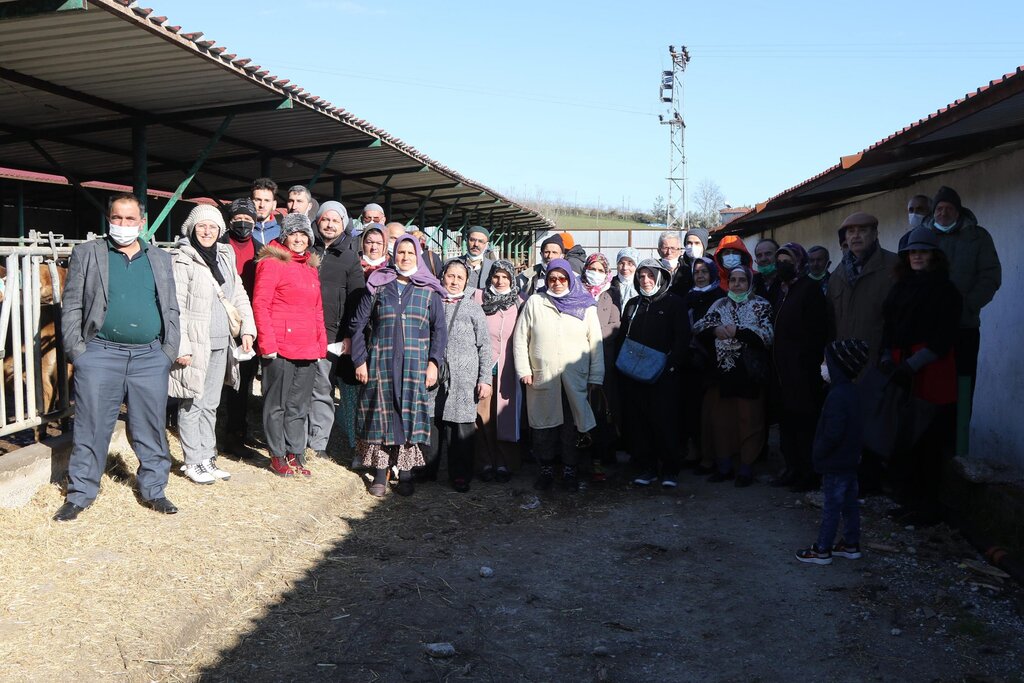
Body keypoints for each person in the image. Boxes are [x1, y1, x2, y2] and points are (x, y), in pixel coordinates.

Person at [54, 193, 181, 521]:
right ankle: (80, 493)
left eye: (130, 219)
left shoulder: (160, 259)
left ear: (142, 222)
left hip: (150, 357)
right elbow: (72, 306)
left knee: (150, 425)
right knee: (91, 424)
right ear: (109, 220)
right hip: (100, 354)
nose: (123, 225)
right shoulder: (88, 254)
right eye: (117, 218)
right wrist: (78, 353)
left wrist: (168, 351)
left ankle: (154, 489)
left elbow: (170, 307)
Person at [349, 234, 448, 497]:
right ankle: (380, 475)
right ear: (394, 255)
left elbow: (439, 331)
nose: (405, 258)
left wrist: (433, 363)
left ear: (418, 256)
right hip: (380, 363)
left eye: (410, 253)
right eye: (400, 253)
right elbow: (358, 325)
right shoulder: (379, 285)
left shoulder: (429, 291)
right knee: (381, 417)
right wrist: (360, 360)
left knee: (408, 416)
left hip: (415, 366)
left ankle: (405, 475)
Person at [881, 226, 963, 526]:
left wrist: (912, 365)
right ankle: (908, 500)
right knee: (904, 438)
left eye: (923, 251)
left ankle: (927, 507)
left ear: (934, 256)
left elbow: (944, 338)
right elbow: (889, 326)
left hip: (931, 372)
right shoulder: (901, 286)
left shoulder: (946, 290)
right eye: (912, 252)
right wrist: (887, 356)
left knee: (928, 441)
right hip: (903, 367)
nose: (916, 256)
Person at [169, 205, 256, 484]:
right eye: (201, 226)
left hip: (222, 342)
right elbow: (177, 306)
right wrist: (182, 345)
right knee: (191, 402)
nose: (207, 231)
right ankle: (192, 460)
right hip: (197, 343)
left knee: (211, 403)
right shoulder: (182, 260)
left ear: (220, 230)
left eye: (213, 227)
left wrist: (247, 329)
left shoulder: (224, 256)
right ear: (192, 229)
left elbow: (238, 293)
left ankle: (208, 456)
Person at [513, 259, 603, 492]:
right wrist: (524, 370)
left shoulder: (586, 306)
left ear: (570, 280)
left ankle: (570, 470)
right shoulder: (535, 302)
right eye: (552, 278)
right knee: (544, 427)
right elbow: (521, 339)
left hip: (575, 379)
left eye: (562, 278)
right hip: (542, 377)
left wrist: (596, 376)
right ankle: (546, 470)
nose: (557, 283)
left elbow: (596, 344)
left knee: (572, 427)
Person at [253, 213, 327, 477]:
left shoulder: (309, 266)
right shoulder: (272, 263)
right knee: (277, 403)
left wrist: (321, 346)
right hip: (281, 346)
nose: (299, 238)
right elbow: (261, 304)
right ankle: (277, 454)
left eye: (303, 234)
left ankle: (296, 452)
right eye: (293, 233)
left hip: (307, 346)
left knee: (298, 404)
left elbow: (317, 309)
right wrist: (267, 343)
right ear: (284, 236)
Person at [692, 265, 774, 487]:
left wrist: (739, 332)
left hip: (749, 373)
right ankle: (725, 466)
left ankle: (746, 467)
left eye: (742, 280)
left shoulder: (761, 305)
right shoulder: (720, 304)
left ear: (750, 283)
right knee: (722, 421)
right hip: (722, 372)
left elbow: (767, 335)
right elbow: (700, 325)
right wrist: (716, 330)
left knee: (750, 420)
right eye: (733, 280)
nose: (737, 284)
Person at [924, 186, 1001, 422]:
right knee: (928, 390)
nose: (943, 213)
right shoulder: (922, 238)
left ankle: (958, 448)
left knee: (961, 389)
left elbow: (990, 276)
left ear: (958, 211)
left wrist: (968, 305)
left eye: (948, 208)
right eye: (939, 208)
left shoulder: (978, 237)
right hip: (928, 328)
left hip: (963, 327)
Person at [796, 339, 869, 565]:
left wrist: (819, 452)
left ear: (838, 366)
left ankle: (823, 548)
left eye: (826, 362)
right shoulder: (853, 392)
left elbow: (833, 432)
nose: (822, 366)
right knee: (849, 504)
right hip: (849, 460)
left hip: (835, 462)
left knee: (831, 506)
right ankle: (850, 543)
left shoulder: (837, 396)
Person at [618, 259, 690, 488]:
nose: (646, 280)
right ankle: (646, 467)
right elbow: (622, 337)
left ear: (660, 277)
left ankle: (670, 468)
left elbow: (682, 338)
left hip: (663, 376)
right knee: (639, 422)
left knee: (665, 421)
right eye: (641, 276)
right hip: (634, 375)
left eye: (650, 276)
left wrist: (671, 366)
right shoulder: (632, 304)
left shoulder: (674, 304)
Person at [769, 243, 828, 492]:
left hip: (802, 369)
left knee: (805, 423)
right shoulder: (778, 290)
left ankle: (809, 472)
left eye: (788, 261)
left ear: (799, 263)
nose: (783, 265)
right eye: (779, 260)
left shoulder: (809, 289)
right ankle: (791, 468)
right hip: (780, 369)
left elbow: (818, 331)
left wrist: (808, 362)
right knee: (787, 422)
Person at [308, 201, 365, 459]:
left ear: (344, 225)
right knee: (298, 389)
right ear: (318, 221)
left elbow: (355, 301)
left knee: (322, 389)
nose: (330, 225)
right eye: (325, 220)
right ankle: (297, 438)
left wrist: (349, 336)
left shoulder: (350, 257)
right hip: (301, 331)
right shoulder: (306, 249)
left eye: (335, 221)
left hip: (331, 334)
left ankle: (318, 443)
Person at [430, 259, 492, 492]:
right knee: (432, 424)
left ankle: (460, 475)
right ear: (443, 275)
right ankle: (428, 469)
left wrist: (484, 378)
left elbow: (484, 346)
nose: (454, 281)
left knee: (461, 428)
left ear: (467, 282)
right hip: (435, 375)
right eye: (450, 276)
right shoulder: (433, 301)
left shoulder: (473, 307)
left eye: (460, 278)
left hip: (464, 379)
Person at [335, 223, 390, 457]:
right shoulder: (351, 264)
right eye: (369, 241)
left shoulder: (392, 270)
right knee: (350, 394)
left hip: (380, 341)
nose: (373, 246)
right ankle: (355, 445)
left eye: (378, 243)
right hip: (351, 335)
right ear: (362, 242)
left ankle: (376, 446)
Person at [829, 212, 899, 370]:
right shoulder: (837, 276)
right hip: (845, 362)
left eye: (862, 230)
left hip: (881, 361)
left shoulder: (895, 266)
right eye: (851, 231)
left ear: (875, 234)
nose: (856, 236)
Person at [221, 197, 261, 459]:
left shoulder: (261, 250)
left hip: (248, 323)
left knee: (242, 382)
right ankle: (217, 432)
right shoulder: (218, 244)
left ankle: (237, 433)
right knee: (218, 382)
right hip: (221, 318)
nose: (243, 223)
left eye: (248, 219)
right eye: (238, 219)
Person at [475, 260, 523, 483]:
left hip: (508, 369)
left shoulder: (519, 304)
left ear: (512, 279)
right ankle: (485, 461)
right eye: (496, 276)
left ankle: (505, 462)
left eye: (505, 277)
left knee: (504, 417)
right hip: (483, 367)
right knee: (482, 417)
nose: (500, 281)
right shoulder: (479, 299)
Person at [682, 256, 726, 469]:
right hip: (691, 361)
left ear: (712, 274)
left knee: (713, 411)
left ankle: (715, 455)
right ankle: (696, 450)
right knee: (691, 408)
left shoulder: (720, 297)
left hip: (713, 360)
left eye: (704, 272)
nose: (700, 276)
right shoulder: (687, 297)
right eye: (697, 272)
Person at [582, 253, 622, 479]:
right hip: (578, 359)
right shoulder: (576, 291)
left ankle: (602, 456)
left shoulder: (611, 293)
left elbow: (615, 325)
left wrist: (593, 336)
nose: (595, 273)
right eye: (591, 268)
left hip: (604, 360)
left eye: (600, 269)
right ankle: (581, 457)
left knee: (603, 410)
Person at [669, 227, 709, 295]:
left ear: (704, 245)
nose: (693, 246)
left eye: (697, 243)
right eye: (689, 243)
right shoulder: (678, 264)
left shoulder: (712, 263)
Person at [461, 226, 494, 290]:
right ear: (466, 241)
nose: (476, 244)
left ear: (487, 244)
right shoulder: (450, 263)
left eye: (480, 241)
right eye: (472, 240)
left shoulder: (493, 267)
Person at [250, 177, 280, 247]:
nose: (262, 205)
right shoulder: (242, 231)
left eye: (267, 200)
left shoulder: (282, 233)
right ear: (250, 202)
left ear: (274, 204)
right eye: (258, 200)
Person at [613, 248, 639, 313]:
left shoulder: (641, 285)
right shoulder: (609, 284)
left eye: (630, 264)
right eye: (621, 263)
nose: (625, 268)